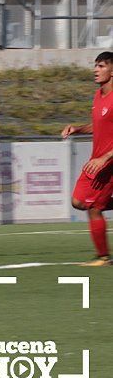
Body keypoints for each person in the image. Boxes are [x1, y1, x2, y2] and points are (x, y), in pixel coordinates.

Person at [61, 51, 113, 266]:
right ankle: (103, 257)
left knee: (94, 208)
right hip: (97, 160)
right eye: (95, 66)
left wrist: (106, 158)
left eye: (101, 66)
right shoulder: (98, 95)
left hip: (109, 163)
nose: (95, 70)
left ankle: (103, 257)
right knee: (78, 201)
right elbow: (99, 125)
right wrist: (77, 129)